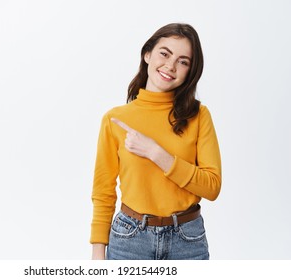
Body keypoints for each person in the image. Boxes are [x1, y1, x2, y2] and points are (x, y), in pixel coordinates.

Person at [90, 23, 221, 260]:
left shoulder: (199, 116)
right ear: (147, 54)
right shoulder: (115, 119)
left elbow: (212, 187)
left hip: (187, 241)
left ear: (190, 71)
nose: (170, 66)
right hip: (129, 241)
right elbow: (103, 192)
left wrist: (157, 154)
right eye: (165, 53)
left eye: (183, 61)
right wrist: (98, 253)